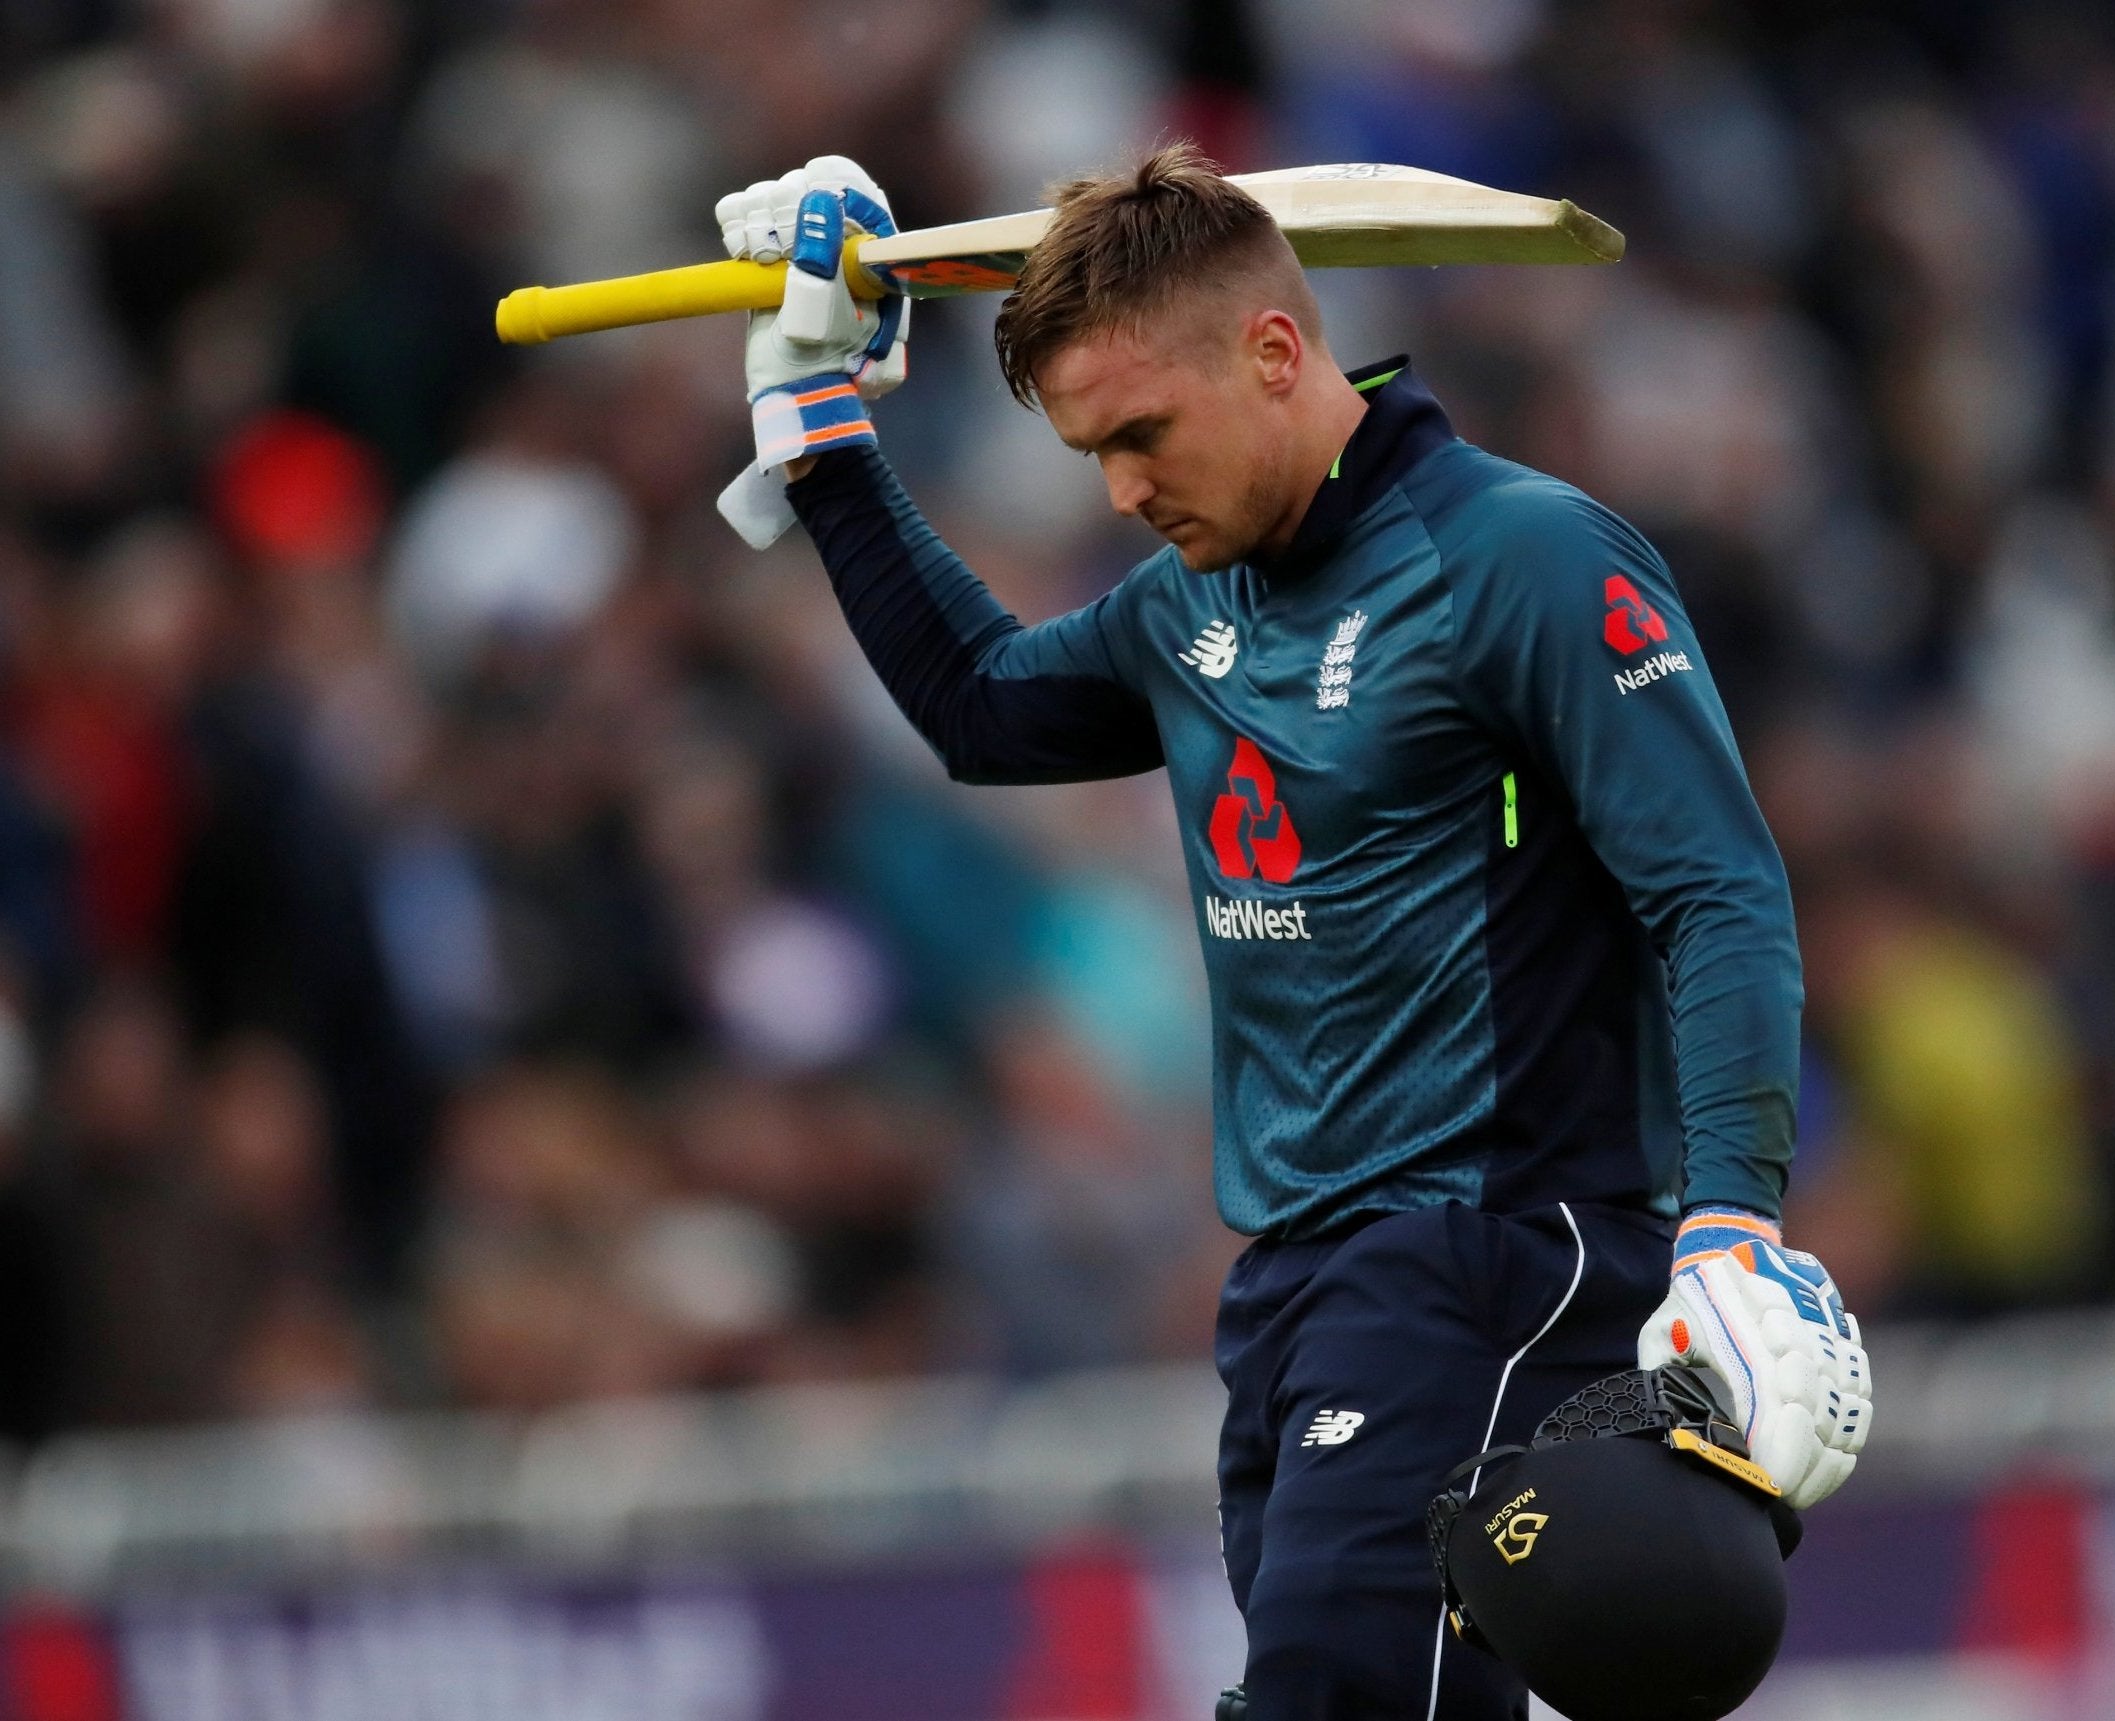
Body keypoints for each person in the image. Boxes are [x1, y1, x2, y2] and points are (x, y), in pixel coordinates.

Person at [713, 143, 1871, 1720]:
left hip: (1486, 1252)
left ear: (1272, 352)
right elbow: (981, 708)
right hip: (1294, 1287)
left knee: (1331, 1688)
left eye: (1140, 435)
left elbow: (1716, 889)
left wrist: (1732, 1221)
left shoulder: (1523, 560)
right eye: (1088, 454)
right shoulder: (1190, 606)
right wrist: (822, 433)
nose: (1119, 489)